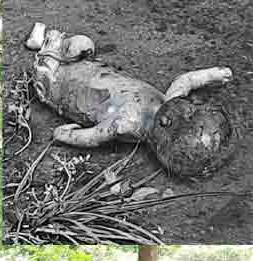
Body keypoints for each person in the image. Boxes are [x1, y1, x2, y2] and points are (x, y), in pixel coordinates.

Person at [24, 22, 234, 177]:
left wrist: (65, 135)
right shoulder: (169, 101)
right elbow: (185, 81)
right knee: (82, 44)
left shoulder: (126, 124)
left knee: (69, 51)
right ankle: (45, 44)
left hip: (59, 85)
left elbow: (95, 136)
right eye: (193, 109)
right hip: (88, 66)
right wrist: (213, 74)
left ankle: (44, 46)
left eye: (190, 111)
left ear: (166, 124)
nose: (190, 106)